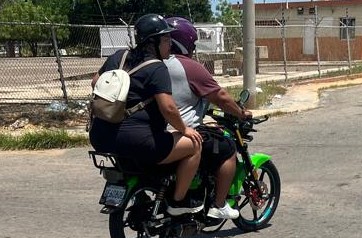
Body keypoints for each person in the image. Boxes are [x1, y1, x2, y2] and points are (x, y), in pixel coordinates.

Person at [88, 14, 203, 215]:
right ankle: (178, 202)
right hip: (137, 140)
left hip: (101, 137)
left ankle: (141, 194)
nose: (169, 44)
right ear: (153, 42)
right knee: (194, 145)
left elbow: (95, 81)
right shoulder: (157, 68)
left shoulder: (119, 56)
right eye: (166, 40)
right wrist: (185, 129)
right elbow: (168, 108)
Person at [164, 16, 254, 221]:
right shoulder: (189, 66)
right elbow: (221, 97)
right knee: (227, 148)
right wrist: (240, 112)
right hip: (183, 132)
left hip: (155, 132)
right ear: (186, 42)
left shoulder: (153, 63)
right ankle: (219, 205)